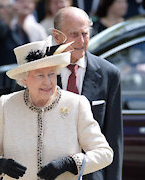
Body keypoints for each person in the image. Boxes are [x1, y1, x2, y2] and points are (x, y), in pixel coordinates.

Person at [0, 36, 114, 179]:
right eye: (40, 75)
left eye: (51, 74)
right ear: (24, 79)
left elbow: (104, 153)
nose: (47, 82)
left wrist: (70, 163)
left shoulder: (76, 104)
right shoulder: (7, 104)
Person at [52, 6, 123, 180]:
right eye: (74, 34)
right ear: (56, 36)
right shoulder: (39, 72)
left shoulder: (109, 74)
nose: (81, 41)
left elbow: (113, 138)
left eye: (85, 34)